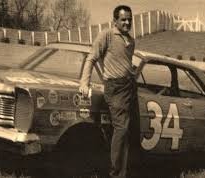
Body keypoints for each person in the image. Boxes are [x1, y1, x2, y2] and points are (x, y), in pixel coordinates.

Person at [79, 5, 140, 178]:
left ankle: (123, 172)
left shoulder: (131, 40)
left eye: (129, 19)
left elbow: (123, 62)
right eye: (123, 19)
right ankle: (114, 173)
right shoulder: (106, 35)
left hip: (130, 87)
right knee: (121, 129)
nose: (127, 22)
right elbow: (91, 58)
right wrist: (84, 82)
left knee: (129, 130)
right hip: (115, 88)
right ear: (115, 21)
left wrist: (131, 73)